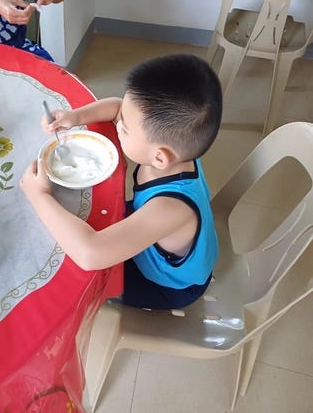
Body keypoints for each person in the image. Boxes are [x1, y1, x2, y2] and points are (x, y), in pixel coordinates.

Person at [20, 54, 223, 310]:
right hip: (153, 239)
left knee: (70, 275)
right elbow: (117, 107)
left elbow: (91, 253)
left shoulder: (170, 209)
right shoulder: (178, 152)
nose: (118, 126)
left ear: (159, 157)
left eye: (125, 130)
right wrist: (74, 117)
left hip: (166, 286)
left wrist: (39, 195)